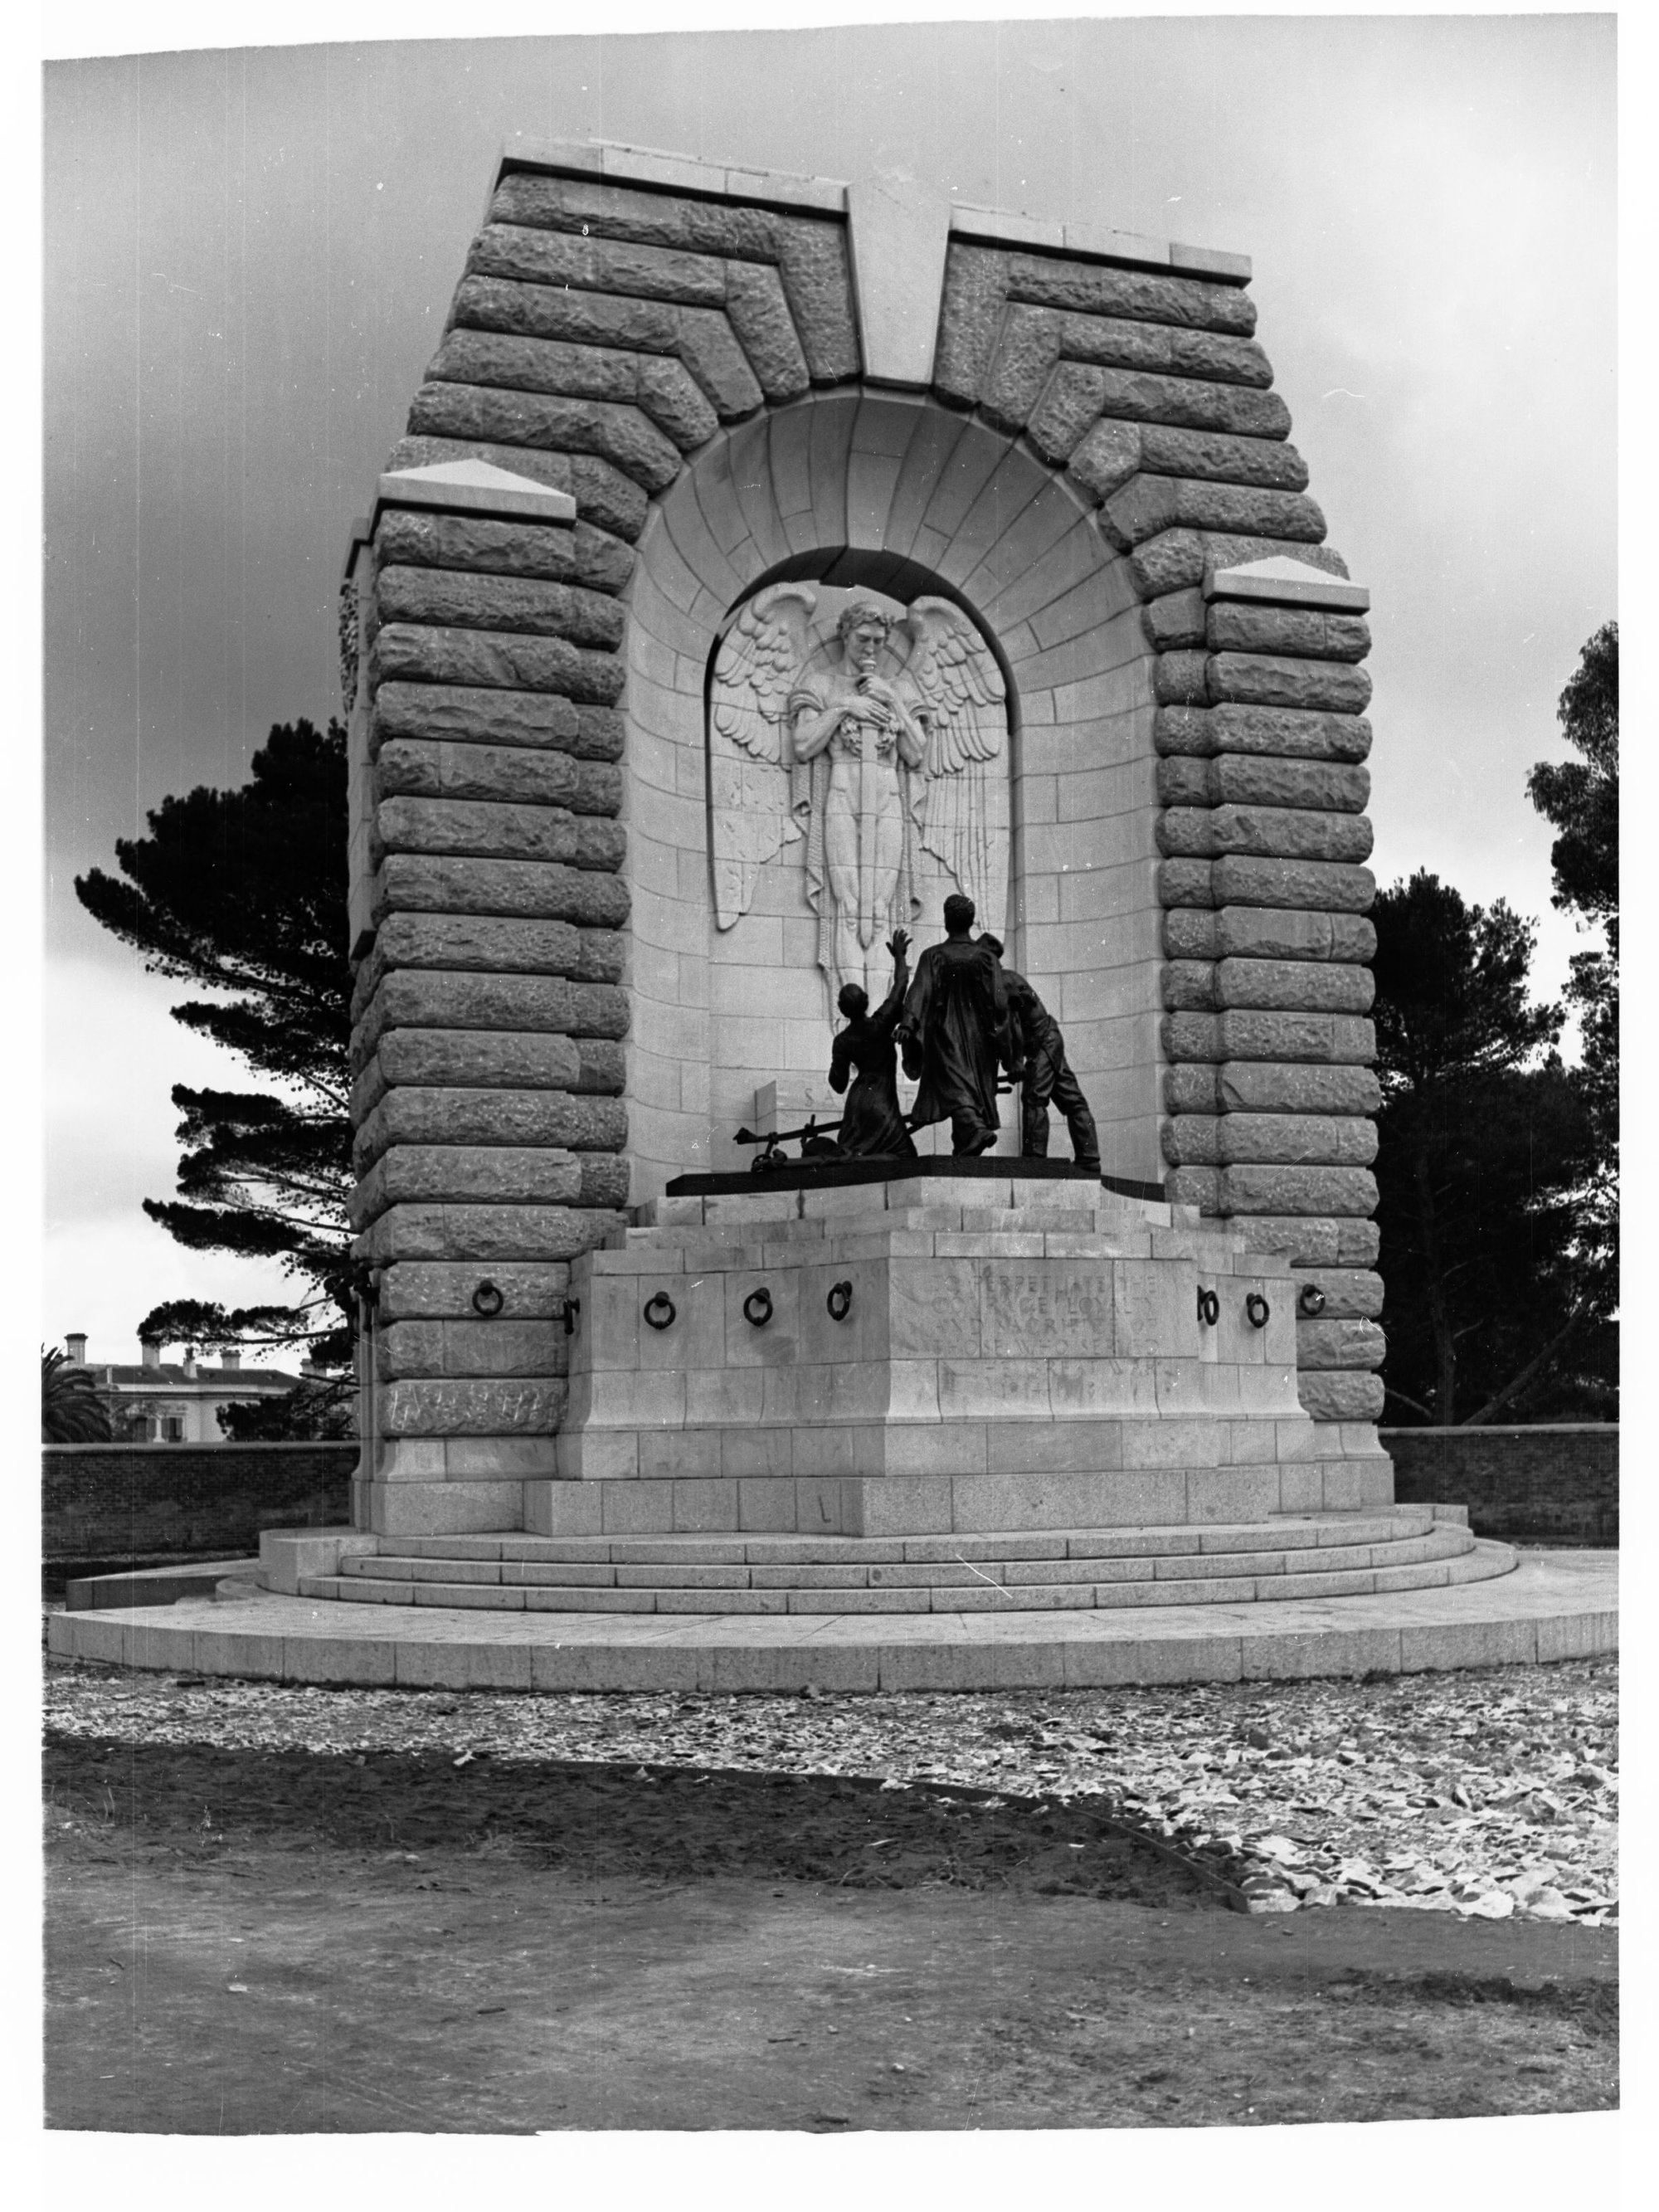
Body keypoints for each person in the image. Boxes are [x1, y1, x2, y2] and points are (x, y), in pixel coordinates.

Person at [789, 602, 928, 1009]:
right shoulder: (822, 683)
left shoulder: (899, 688)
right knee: (849, 909)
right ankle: (855, 1022)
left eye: (880, 642)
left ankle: (882, 1023)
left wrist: (892, 701)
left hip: (887, 798)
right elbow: (803, 745)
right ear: (845, 637)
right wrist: (846, 707)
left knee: (880, 912)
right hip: (843, 794)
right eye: (863, 640)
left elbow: (916, 754)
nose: (871, 649)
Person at [898, 894, 1018, 1156]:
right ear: (971, 921)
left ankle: (974, 1130)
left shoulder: (933, 956)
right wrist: (1007, 1048)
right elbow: (1000, 1004)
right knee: (966, 1086)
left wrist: (908, 1023)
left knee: (957, 1086)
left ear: (946, 921)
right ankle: (965, 1144)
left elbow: (919, 990)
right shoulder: (987, 958)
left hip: (945, 1033)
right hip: (980, 1038)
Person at [978, 933, 1100, 1169]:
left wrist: (1014, 1063)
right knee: (1071, 1099)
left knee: (1034, 1097)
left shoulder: (1005, 980)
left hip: (1044, 1041)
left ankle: (1034, 1159)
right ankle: (1089, 1157)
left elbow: (1011, 1024)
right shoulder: (1002, 980)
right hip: (1046, 1041)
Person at [826, 930, 917, 1160]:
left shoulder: (843, 1041)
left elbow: (838, 1084)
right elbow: (901, 983)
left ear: (842, 1009)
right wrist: (899, 956)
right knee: (905, 1156)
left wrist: (836, 1061)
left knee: (854, 1154)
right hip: (881, 1099)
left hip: (858, 1103)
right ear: (866, 1001)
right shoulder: (881, 1023)